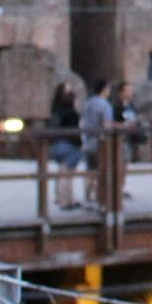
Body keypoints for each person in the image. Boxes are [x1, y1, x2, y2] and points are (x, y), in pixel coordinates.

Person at [49, 82, 85, 210]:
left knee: (63, 172)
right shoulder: (72, 114)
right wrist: (80, 144)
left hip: (57, 144)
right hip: (69, 146)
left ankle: (63, 198)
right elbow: (75, 131)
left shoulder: (57, 111)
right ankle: (66, 201)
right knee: (67, 174)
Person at [79, 80, 114, 208]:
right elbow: (106, 124)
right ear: (104, 89)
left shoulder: (87, 103)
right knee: (101, 169)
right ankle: (99, 196)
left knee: (90, 169)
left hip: (88, 139)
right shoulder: (104, 105)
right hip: (100, 141)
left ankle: (88, 195)